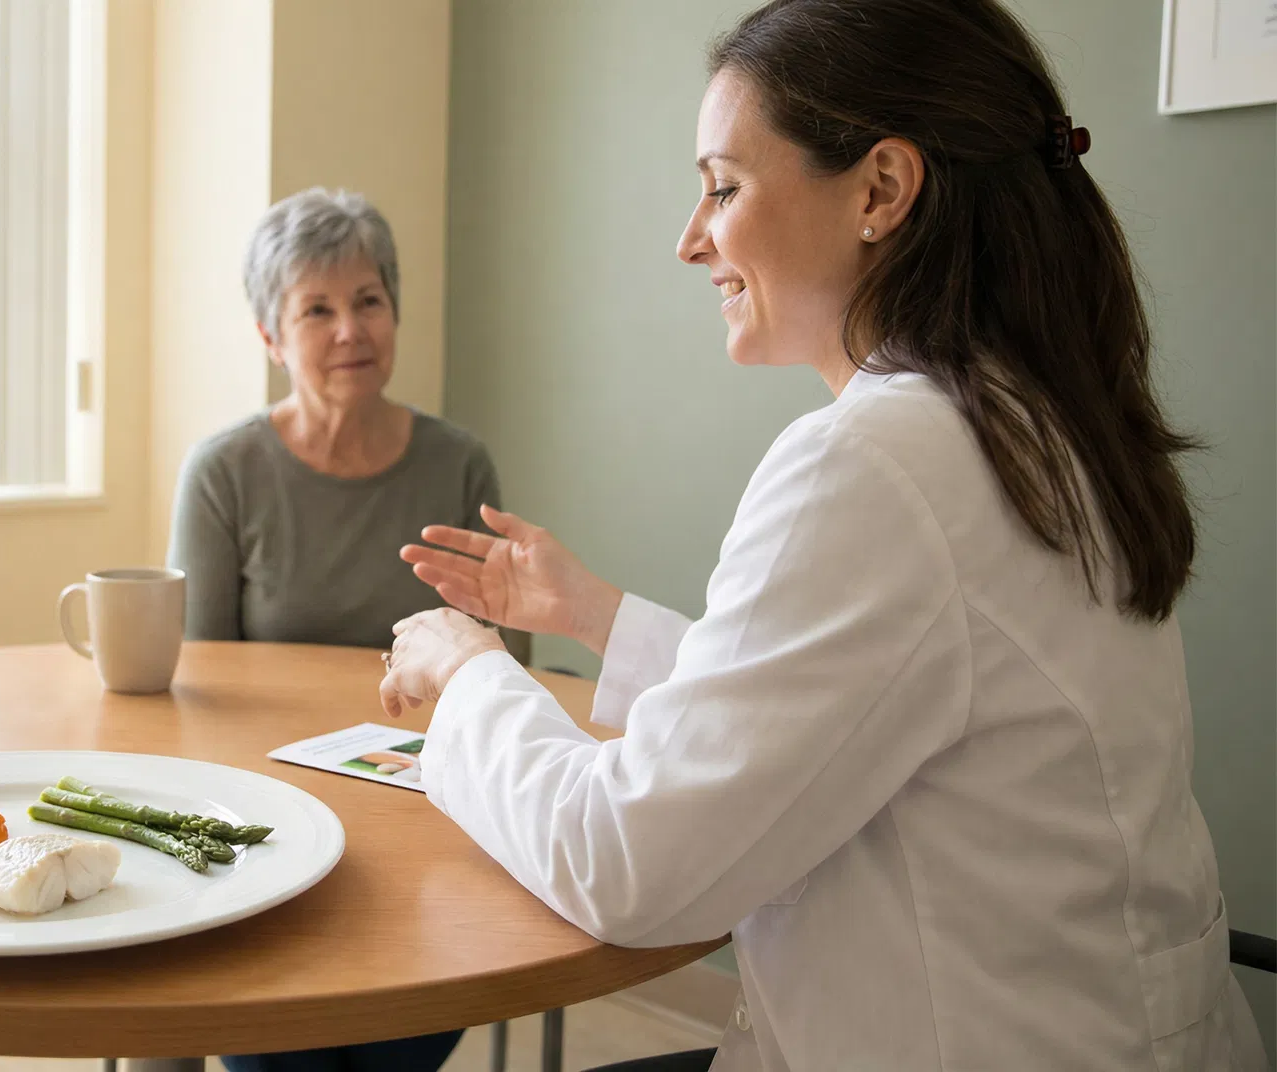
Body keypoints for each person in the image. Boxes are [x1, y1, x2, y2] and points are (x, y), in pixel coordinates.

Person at [378, 2, 1269, 1070]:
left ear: (882, 191)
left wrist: (469, 672)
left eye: (723, 184)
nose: (690, 235)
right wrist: (594, 615)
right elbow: (860, 705)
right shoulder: (1034, 415)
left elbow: (631, 866)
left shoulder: (878, 461)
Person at [166, 186, 526, 1072]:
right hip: (266, 817)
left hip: (424, 814)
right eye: (316, 309)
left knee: (400, 1041)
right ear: (270, 336)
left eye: (368, 301)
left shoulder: (458, 462)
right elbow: (196, 686)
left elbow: (505, 666)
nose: (349, 332)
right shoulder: (225, 472)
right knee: (280, 1048)